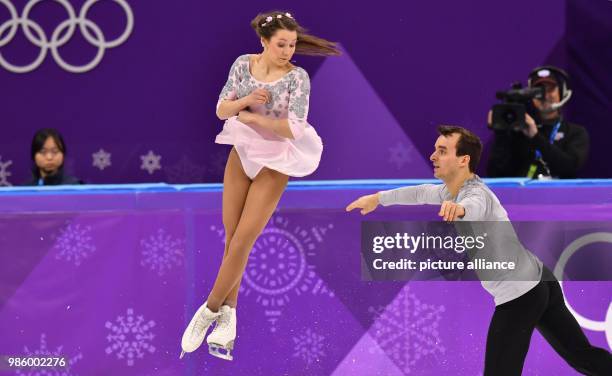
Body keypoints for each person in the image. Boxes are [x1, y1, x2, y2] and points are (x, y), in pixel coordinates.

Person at [347, 125, 612, 375]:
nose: (432, 156)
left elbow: (473, 207)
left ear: (463, 160)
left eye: (442, 151)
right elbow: (418, 193)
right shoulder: (449, 192)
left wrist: (460, 210)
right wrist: (378, 198)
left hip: (521, 295)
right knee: (582, 355)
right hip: (541, 279)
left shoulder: (475, 195)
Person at [180, 10, 340, 361]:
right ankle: (229, 320)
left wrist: (252, 117)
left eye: (292, 45)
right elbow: (223, 110)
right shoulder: (242, 65)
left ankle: (207, 312)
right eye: (281, 44)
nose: (287, 50)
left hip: (275, 160)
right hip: (243, 151)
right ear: (264, 42)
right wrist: (245, 104)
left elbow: (294, 129)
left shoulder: (297, 78)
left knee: (243, 239)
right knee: (231, 233)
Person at [487, 66, 589, 178]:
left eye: (550, 88)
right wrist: (501, 133)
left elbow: (569, 167)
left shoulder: (575, 132)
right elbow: (496, 174)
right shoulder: (519, 131)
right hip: (523, 194)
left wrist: (535, 137)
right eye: (538, 90)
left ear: (562, 92)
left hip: (561, 194)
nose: (545, 95)